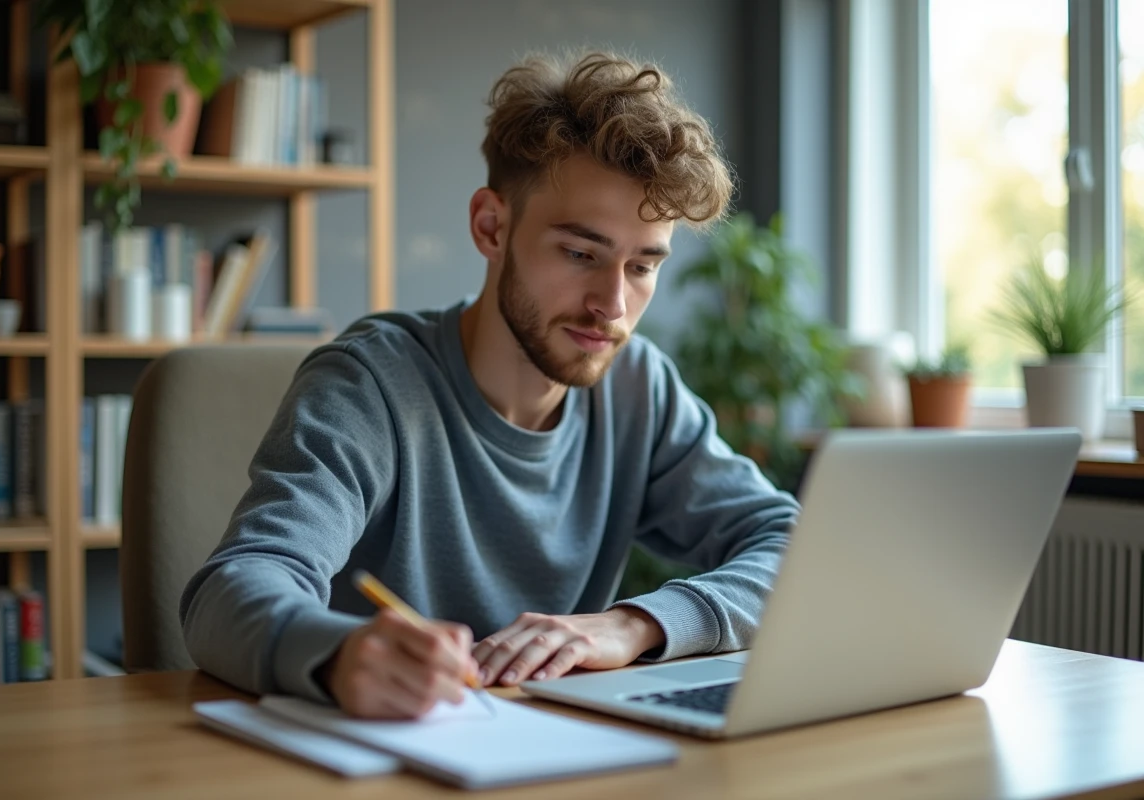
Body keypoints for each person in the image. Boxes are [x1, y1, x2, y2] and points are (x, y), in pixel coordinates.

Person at [180, 51, 798, 720]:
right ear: (491, 226)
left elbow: (791, 546)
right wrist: (339, 654)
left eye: (643, 266)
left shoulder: (638, 388)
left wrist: (634, 625)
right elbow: (228, 592)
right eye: (580, 254)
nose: (612, 305)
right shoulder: (371, 384)